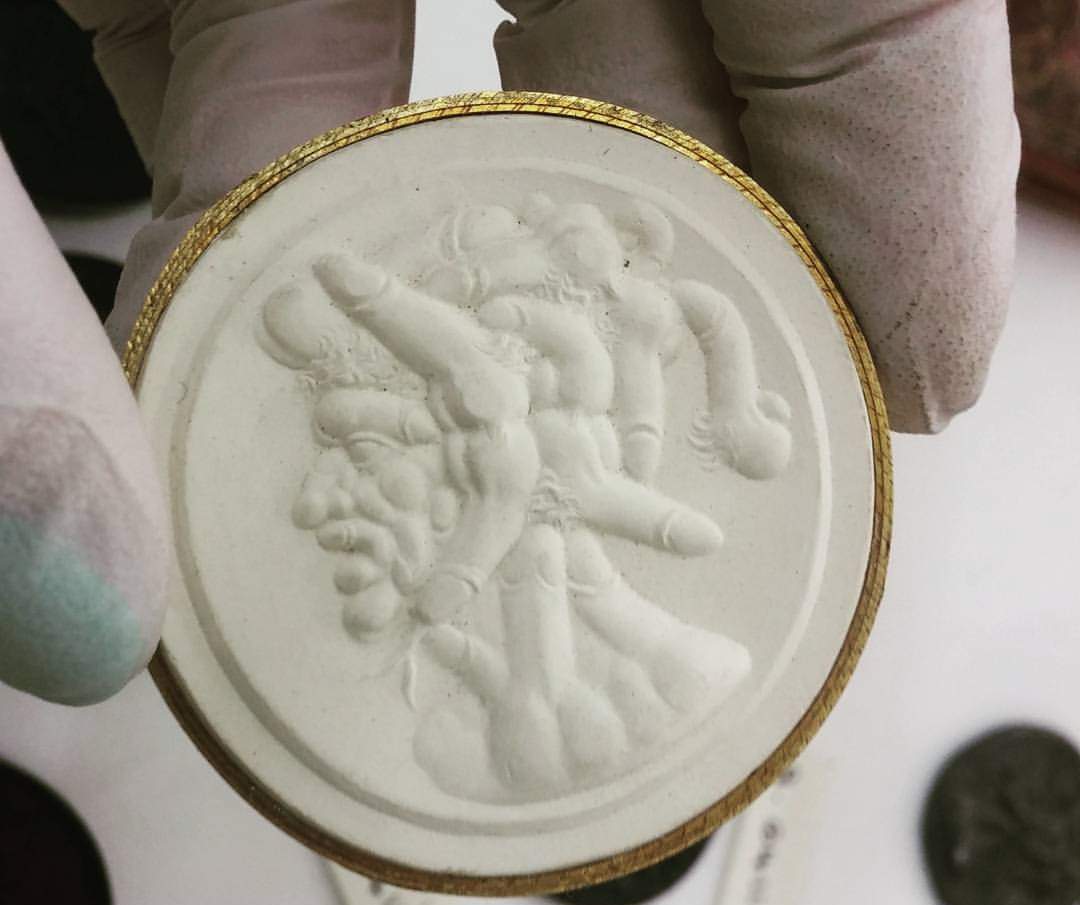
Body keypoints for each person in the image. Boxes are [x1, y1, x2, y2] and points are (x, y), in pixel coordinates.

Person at [0, 0, 1020, 707]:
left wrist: (692, 426)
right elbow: (480, 381)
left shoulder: (600, 336)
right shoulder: (495, 354)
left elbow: (645, 368)